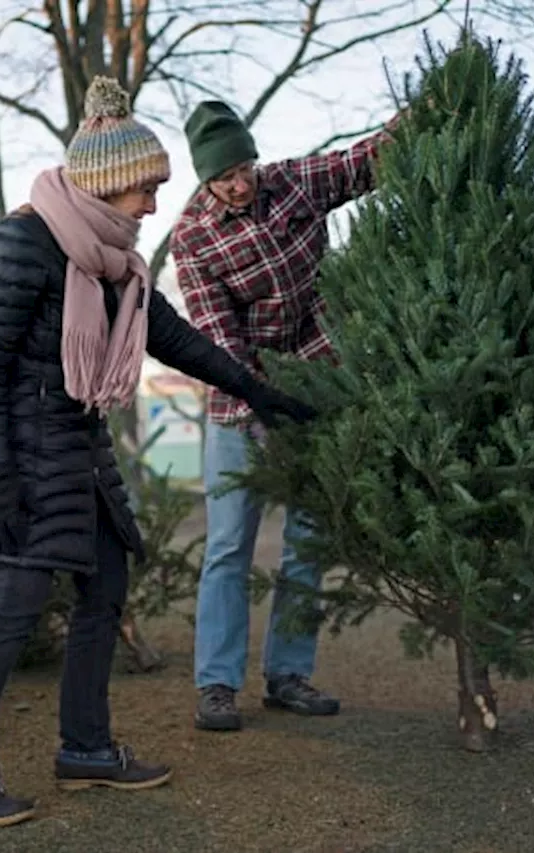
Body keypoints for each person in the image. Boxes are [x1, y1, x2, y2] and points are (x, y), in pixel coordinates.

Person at [0, 76, 318, 828]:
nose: (152, 205)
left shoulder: (117, 266)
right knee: (15, 607)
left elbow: (176, 338)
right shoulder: (22, 243)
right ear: (108, 185)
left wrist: (256, 389)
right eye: (144, 189)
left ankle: (86, 746)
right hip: (23, 461)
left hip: (80, 456)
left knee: (105, 592)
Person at [169, 100, 397, 732]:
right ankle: (217, 684)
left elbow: (364, 161)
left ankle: (288, 674)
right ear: (205, 180)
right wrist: (264, 396)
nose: (240, 184)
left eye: (244, 167)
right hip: (240, 396)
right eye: (225, 178)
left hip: (321, 374)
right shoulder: (193, 236)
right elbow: (218, 335)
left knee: (308, 540)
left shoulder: (292, 182)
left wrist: (429, 108)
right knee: (228, 544)